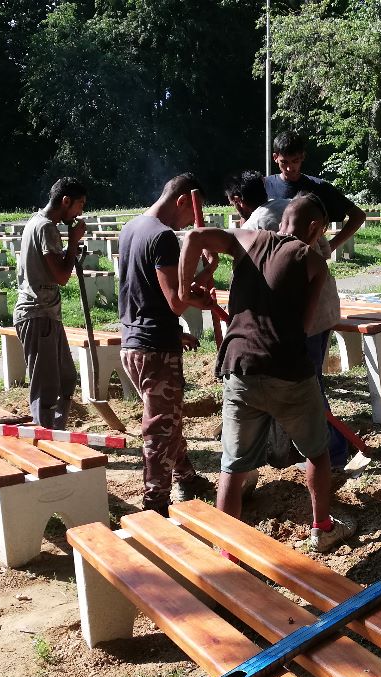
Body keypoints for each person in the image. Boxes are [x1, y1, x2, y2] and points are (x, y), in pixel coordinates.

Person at [179, 193, 356, 553]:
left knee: (233, 466)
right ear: (314, 227)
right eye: (322, 231)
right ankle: (322, 528)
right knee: (317, 453)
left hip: (239, 368)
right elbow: (304, 327)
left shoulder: (245, 238)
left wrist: (183, 291)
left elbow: (194, 237)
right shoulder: (313, 262)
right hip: (289, 372)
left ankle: (225, 551)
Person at [225, 171, 349, 469]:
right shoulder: (295, 207)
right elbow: (322, 253)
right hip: (322, 312)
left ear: (238, 201)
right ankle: (310, 450)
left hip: (295, 321)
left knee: (304, 388)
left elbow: (245, 280)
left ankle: (330, 452)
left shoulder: (255, 226)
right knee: (310, 383)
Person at [118, 173, 216, 515]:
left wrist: (174, 333)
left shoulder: (131, 227)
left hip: (134, 342)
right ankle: (155, 503)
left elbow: (143, 290)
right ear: (182, 201)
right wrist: (202, 293)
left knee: (168, 418)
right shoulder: (162, 237)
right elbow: (176, 301)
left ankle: (187, 477)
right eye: (193, 213)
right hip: (154, 349)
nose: (191, 221)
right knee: (160, 428)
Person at [14, 177, 87, 428]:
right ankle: (47, 438)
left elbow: (53, 268)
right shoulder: (46, 227)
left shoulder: (36, 222)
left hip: (45, 315)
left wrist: (70, 250)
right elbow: (62, 277)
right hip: (38, 314)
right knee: (47, 389)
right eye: (80, 204)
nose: (80, 212)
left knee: (66, 379)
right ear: (65, 201)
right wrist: (73, 241)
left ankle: (56, 431)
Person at [264, 132, 367, 257]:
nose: (289, 168)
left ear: (302, 156)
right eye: (284, 162)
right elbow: (247, 218)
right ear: (275, 157)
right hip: (270, 259)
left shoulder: (319, 187)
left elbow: (358, 216)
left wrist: (331, 246)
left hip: (308, 261)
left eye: (295, 161)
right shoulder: (264, 186)